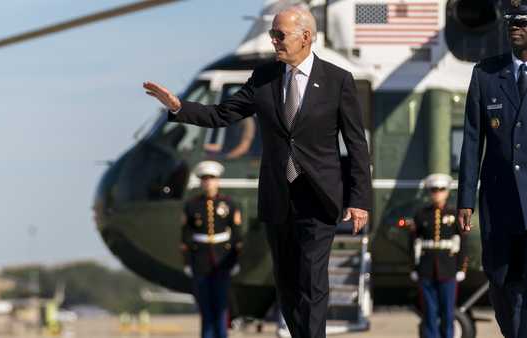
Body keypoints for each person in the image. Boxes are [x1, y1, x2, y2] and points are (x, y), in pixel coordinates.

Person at [144, 5, 371, 338]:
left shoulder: (338, 81)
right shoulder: (264, 78)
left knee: (312, 279)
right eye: (271, 34)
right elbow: (223, 114)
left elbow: (356, 145)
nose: (274, 42)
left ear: (305, 37)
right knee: (288, 284)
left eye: (280, 35)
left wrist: (359, 199)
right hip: (278, 198)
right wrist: (179, 107)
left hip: (319, 198)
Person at [457, 1, 527, 336]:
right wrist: (465, 200)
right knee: (501, 284)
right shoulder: (485, 74)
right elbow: (472, 142)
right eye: (512, 21)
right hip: (499, 205)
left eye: (523, 21)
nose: (515, 26)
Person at [180, 160, 243, 338]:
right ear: (201, 182)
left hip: (222, 260)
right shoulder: (192, 205)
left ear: (218, 181)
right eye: (205, 179)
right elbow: (185, 237)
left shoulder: (229, 204)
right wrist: (187, 262)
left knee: (221, 305)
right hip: (200, 260)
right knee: (205, 308)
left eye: (212, 178)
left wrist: (235, 261)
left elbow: (237, 236)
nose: (208, 182)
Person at [410, 173, 468, 338]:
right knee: (429, 312)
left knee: (448, 312)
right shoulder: (421, 215)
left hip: (448, 269)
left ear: (447, 192)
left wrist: (461, 268)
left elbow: (463, 243)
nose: (437, 193)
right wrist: (414, 267)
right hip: (427, 269)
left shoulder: (455, 214)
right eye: (434, 190)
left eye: (441, 189)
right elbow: (413, 243)